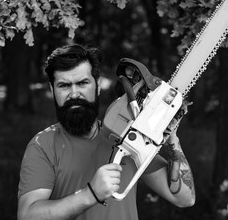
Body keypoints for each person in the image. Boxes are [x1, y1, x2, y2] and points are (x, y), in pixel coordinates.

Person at [17, 44, 195, 220]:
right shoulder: (43, 145)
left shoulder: (127, 137)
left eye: (83, 83)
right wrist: (90, 194)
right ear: (52, 90)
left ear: (98, 86)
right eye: (64, 86)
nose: (74, 93)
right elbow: (27, 215)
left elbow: (185, 199)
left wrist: (172, 140)